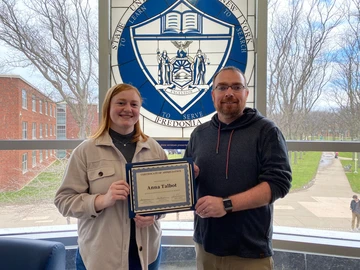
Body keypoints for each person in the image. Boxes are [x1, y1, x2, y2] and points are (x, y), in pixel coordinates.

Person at [184, 66, 292, 270]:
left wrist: (225, 204)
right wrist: (191, 176)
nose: (229, 93)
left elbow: (278, 184)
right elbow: (183, 183)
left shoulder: (267, 131)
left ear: (246, 93)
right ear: (213, 95)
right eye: (222, 87)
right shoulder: (199, 134)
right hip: (206, 247)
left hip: (250, 253)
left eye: (236, 87)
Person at [54, 83, 167, 270]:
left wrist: (155, 215)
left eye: (134, 104)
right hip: (100, 256)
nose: (128, 109)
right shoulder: (85, 151)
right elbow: (63, 201)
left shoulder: (154, 149)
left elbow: (167, 197)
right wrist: (102, 200)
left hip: (145, 254)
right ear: (108, 107)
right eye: (121, 103)